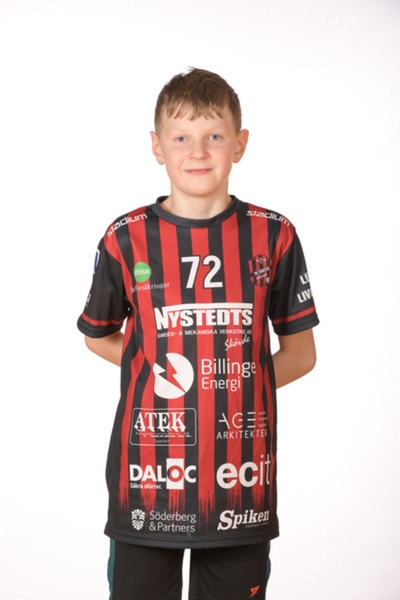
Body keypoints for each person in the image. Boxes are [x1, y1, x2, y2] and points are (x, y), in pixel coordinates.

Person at [77, 67, 319, 600]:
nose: (199, 151)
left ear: (240, 143)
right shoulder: (125, 239)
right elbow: (98, 336)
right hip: (147, 487)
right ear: (157, 147)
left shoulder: (274, 235)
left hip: (241, 489)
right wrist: (164, 372)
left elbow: (301, 354)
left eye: (214, 135)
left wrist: (229, 379)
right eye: (181, 137)